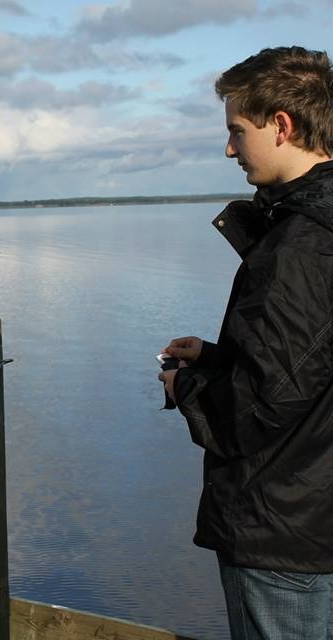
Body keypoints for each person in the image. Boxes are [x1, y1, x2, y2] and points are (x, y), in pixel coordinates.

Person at [160, 46, 333, 640]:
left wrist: (186, 384)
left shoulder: (301, 248)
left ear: (282, 126)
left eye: (237, 130)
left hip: (287, 534)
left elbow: (256, 409)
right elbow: (309, 365)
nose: (230, 148)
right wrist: (218, 357)